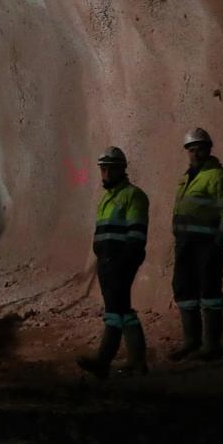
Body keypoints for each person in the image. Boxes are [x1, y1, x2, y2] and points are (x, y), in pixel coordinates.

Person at [171, 127, 223, 361]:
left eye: (200, 149)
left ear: (209, 150)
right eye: (191, 149)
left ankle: (212, 345)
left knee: (210, 292)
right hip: (185, 245)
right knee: (185, 291)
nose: (195, 153)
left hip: (206, 246)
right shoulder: (187, 177)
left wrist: (218, 245)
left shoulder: (219, 177)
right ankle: (191, 341)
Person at [77, 146, 148, 378]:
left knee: (114, 312)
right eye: (103, 169)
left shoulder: (133, 195)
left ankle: (103, 360)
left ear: (121, 170)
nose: (105, 174)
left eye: (109, 169)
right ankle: (137, 361)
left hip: (121, 261)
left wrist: (125, 260)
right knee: (122, 309)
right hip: (107, 262)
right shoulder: (107, 198)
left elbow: (136, 233)